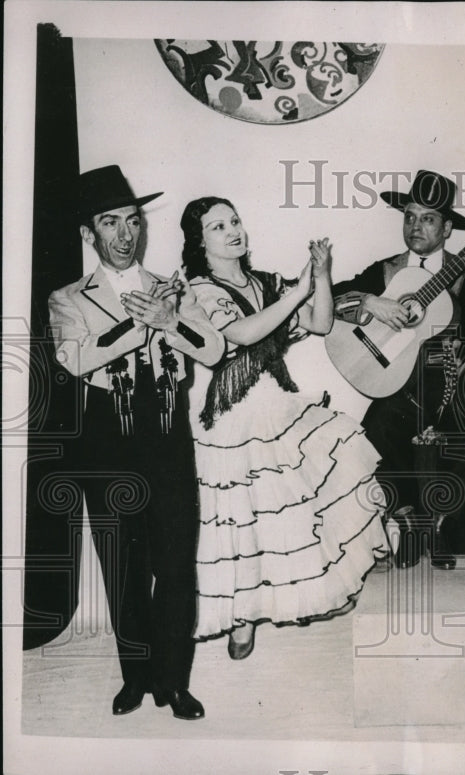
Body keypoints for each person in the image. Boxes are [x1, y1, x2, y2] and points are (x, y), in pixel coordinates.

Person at [48, 165, 224, 719]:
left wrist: (170, 321)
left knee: (175, 567)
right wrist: (137, 326)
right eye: (110, 223)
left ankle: (174, 682)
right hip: (106, 449)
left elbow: (214, 350)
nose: (126, 235)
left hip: (168, 442)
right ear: (88, 233)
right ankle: (135, 677)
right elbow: (74, 359)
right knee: (123, 569)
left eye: (132, 221)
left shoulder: (171, 290)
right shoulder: (67, 298)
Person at [181, 197, 389, 660]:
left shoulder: (265, 282)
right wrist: (294, 291)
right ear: (200, 241)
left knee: (291, 511)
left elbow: (320, 322)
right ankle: (242, 618)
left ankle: (268, 606)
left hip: (278, 407)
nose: (233, 230)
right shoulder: (198, 289)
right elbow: (242, 334)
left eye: (235, 220)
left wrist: (318, 274)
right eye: (217, 226)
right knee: (241, 522)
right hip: (234, 418)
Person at [331, 170, 465, 569]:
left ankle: (448, 525)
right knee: (367, 445)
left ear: (448, 228)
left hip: (456, 393)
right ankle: (411, 518)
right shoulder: (385, 271)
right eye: (410, 216)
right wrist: (369, 301)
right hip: (399, 392)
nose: (416, 226)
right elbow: (328, 303)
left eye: (428, 218)